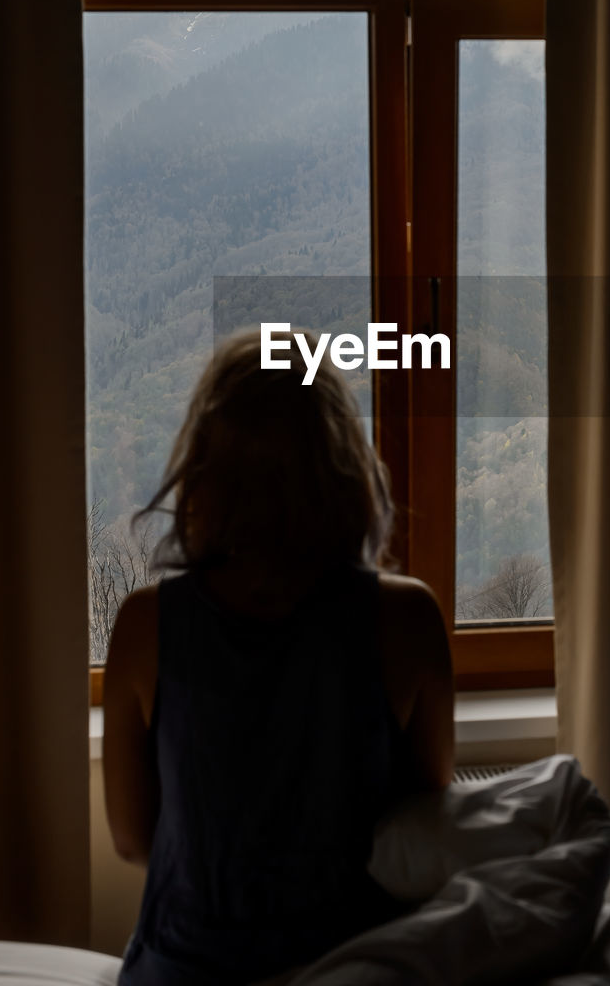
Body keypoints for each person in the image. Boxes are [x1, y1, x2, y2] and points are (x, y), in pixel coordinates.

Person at [103, 328, 454, 986]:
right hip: (354, 968)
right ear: (343, 460)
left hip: (187, 969)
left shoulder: (145, 626)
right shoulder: (409, 619)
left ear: (206, 464)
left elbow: (131, 839)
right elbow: (423, 815)